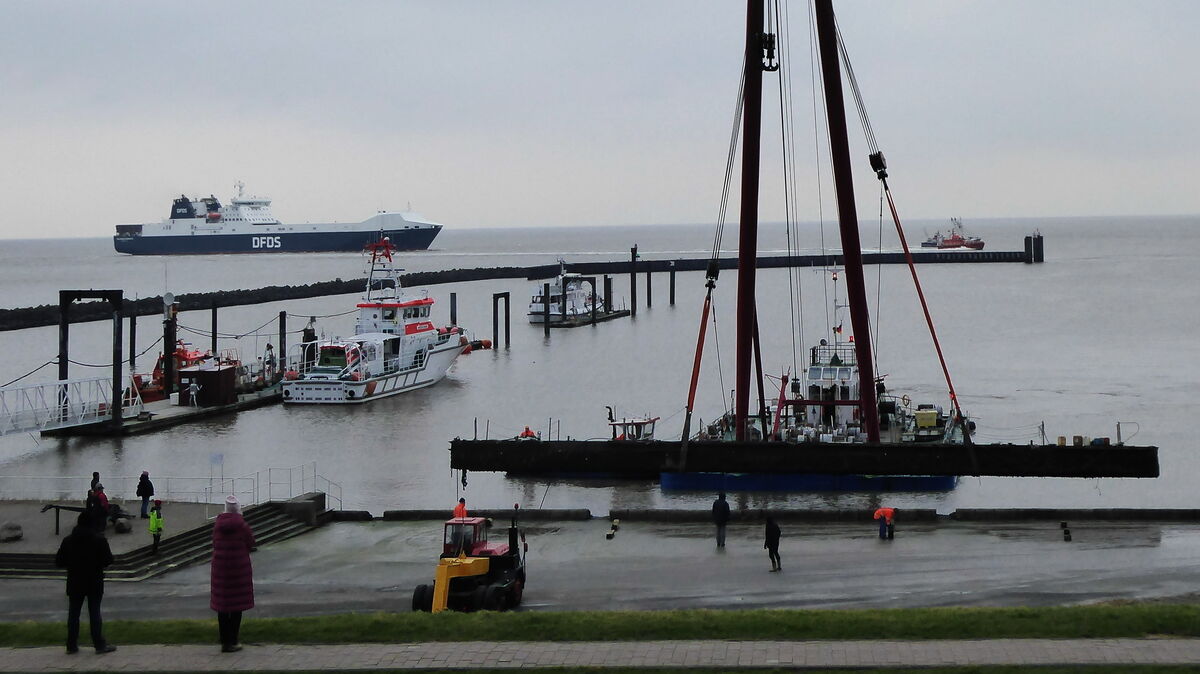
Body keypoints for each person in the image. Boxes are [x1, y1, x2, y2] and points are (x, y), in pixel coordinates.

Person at [55, 512, 116, 654]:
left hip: (75, 580)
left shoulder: (68, 540)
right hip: (94, 581)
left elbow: (59, 562)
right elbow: (108, 560)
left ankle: (71, 645)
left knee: (73, 614)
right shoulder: (99, 540)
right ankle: (99, 645)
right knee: (94, 613)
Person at [211, 496, 255, 653]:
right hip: (238, 569)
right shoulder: (241, 525)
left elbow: (215, 543)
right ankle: (234, 640)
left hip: (221, 569)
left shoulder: (218, 525)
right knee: (237, 606)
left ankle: (224, 641)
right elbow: (251, 542)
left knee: (223, 606)